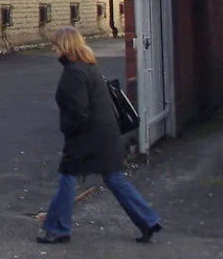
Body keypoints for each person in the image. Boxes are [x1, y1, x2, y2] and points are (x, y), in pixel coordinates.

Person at [37, 26, 161, 245]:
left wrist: (68, 130)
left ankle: (58, 228)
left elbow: (78, 111)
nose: (54, 49)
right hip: (104, 136)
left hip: (85, 138)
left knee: (67, 178)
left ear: (64, 46)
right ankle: (148, 220)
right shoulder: (88, 66)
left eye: (55, 45)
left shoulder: (74, 72)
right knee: (113, 179)